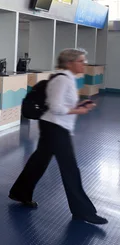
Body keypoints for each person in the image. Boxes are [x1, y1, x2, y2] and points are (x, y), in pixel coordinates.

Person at [9, 48, 107, 225]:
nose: (84, 64)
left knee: (39, 161)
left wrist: (79, 104)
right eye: (81, 61)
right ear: (69, 63)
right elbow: (56, 107)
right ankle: (83, 211)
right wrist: (79, 110)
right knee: (70, 169)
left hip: (52, 126)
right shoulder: (62, 80)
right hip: (55, 127)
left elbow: (61, 104)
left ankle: (20, 193)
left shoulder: (67, 79)